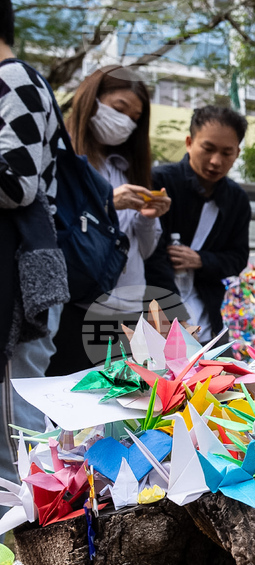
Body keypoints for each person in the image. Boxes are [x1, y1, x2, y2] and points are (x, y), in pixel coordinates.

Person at [47, 66, 171, 376]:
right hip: (76, 304)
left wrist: (148, 216)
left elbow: (143, 249)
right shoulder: (62, 160)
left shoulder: (128, 168)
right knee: (71, 396)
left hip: (128, 307)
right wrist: (107, 203)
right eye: (119, 109)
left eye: (134, 118)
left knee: (122, 403)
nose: (126, 123)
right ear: (93, 100)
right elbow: (54, 225)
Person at [0, 0, 68, 476]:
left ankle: (22, 547)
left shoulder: (16, 79)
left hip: (20, 283)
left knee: (14, 438)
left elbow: (16, 183)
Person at [145, 105, 251, 343]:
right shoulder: (159, 181)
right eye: (208, 148)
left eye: (227, 153)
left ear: (237, 153)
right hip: (155, 316)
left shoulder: (237, 199)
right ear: (189, 142)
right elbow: (149, 255)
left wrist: (202, 259)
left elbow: (238, 257)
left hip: (208, 319)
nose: (216, 161)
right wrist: (172, 313)